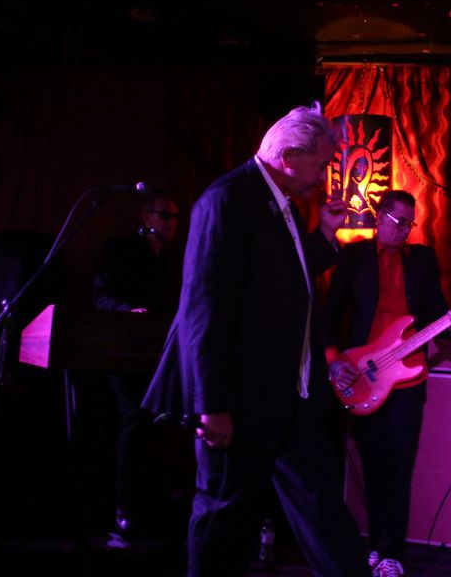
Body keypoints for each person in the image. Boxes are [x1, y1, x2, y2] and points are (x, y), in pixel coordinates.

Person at [142, 101, 369, 576]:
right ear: (289, 157)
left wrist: (325, 236)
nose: (324, 175)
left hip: (287, 396)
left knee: (322, 507)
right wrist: (211, 405)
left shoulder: (278, 202)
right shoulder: (228, 199)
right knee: (224, 514)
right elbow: (203, 310)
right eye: (320, 164)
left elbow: (280, 281)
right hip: (240, 400)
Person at [322, 189, 451, 577]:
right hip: (364, 372)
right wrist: (334, 361)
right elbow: (329, 313)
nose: (405, 230)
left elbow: (437, 312)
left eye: (410, 223)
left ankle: (392, 552)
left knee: (399, 465)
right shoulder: (354, 256)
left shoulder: (422, 259)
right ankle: (376, 544)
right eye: (399, 222)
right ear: (380, 218)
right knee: (373, 464)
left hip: (409, 374)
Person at [93, 190, 182, 544]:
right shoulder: (120, 249)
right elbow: (101, 297)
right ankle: (123, 509)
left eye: (175, 217)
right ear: (146, 216)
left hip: (159, 353)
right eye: (164, 215)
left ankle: (154, 506)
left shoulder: (171, 259)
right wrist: (128, 313)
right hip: (122, 349)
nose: (171, 223)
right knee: (133, 418)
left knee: (162, 422)